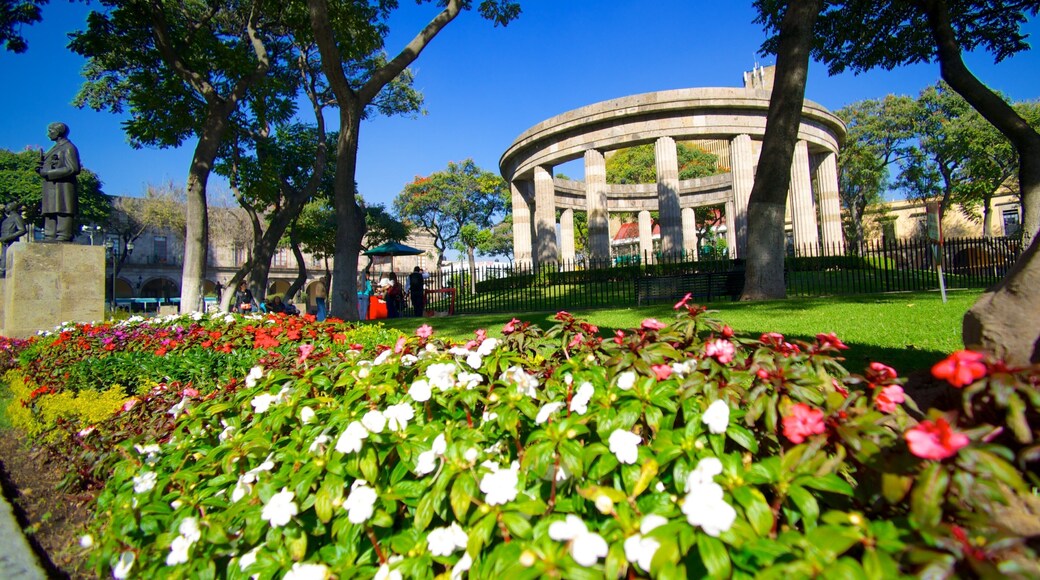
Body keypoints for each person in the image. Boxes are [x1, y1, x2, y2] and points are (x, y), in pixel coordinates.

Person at [37, 122, 81, 242]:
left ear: (59, 132)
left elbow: (73, 168)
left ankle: (63, 234)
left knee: (63, 209)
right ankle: (49, 235)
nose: (48, 134)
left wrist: (49, 173)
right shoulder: (55, 148)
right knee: (50, 210)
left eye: (50, 131)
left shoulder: (69, 148)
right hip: (50, 186)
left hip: (63, 186)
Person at [0, 201, 27, 277]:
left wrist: (8, 238)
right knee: (3, 262)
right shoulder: (6, 219)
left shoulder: (16, 217)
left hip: (11, 243)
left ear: (12, 208)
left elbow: (22, 230)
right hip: (4, 244)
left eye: (7, 206)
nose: (5, 208)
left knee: (7, 264)